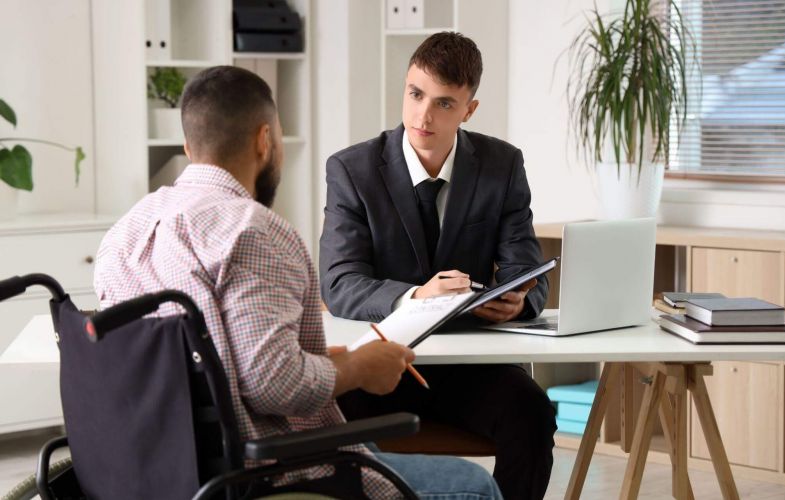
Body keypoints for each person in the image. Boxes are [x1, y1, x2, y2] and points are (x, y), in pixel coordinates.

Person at [94, 65, 502, 499]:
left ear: (188, 146)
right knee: (473, 485)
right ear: (264, 140)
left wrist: (318, 356)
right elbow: (276, 386)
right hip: (262, 472)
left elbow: (206, 359)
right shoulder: (253, 232)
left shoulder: (126, 232)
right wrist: (361, 367)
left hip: (157, 470)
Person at [319, 32, 557, 499]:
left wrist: (516, 301)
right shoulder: (351, 170)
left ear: (469, 109)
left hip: (468, 367)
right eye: (415, 94)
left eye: (444, 103)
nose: (423, 115)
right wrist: (413, 296)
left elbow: (529, 274)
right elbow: (339, 284)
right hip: (377, 365)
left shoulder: (502, 165)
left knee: (531, 412)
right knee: (332, 422)